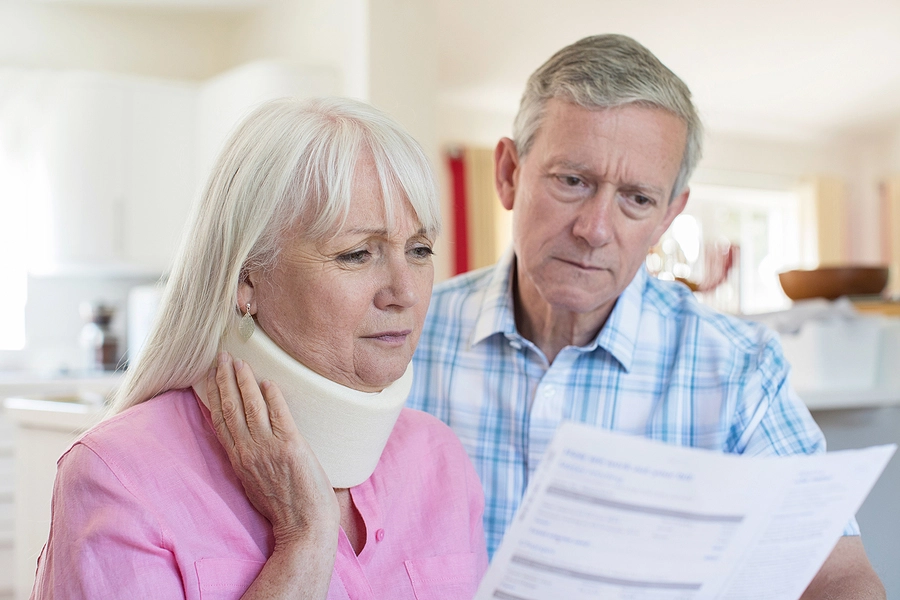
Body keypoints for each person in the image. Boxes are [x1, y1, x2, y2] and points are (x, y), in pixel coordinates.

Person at [409, 34, 886, 598]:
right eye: (572, 181)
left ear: (668, 216)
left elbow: (836, 574)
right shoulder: (403, 334)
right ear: (510, 173)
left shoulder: (739, 369)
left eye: (636, 198)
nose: (595, 229)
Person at [32, 97, 487, 599]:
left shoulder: (440, 461)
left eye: (419, 250)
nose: (405, 292)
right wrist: (305, 541)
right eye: (356, 254)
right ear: (246, 277)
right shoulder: (120, 475)